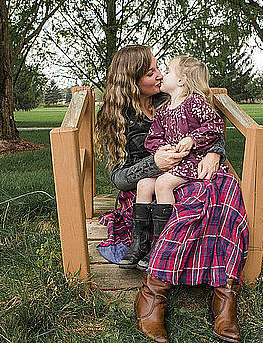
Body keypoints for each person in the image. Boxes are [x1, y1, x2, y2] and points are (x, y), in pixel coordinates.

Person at [96, 45, 249, 343]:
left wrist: (215, 153)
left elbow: (209, 129)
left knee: (224, 192)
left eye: (160, 69)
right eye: (151, 72)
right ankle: (154, 294)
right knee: (193, 202)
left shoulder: (176, 98)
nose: (159, 75)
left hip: (186, 172)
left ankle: (224, 296)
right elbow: (119, 178)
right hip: (146, 190)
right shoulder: (118, 117)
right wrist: (154, 162)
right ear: (131, 80)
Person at [127, 55, 225, 270]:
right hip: (170, 162)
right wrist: (161, 149)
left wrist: (192, 139)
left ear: (181, 80)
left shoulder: (195, 103)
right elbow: (152, 138)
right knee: (144, 184)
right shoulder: (163, 110)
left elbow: (215, 124)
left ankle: (161, 245)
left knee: (163, 184)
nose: (162, 75)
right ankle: (139, 243)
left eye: (168, 72)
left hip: (190, 161)